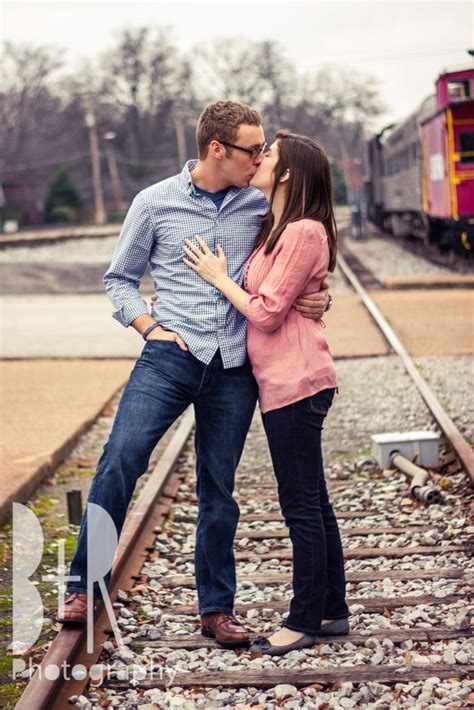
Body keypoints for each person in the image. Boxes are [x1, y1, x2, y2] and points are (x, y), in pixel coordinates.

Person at [57, 101, 330, 649]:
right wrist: (147, 327)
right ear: (217, 150)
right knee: (120, 459)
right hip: (170, 355)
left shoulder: (261, 206)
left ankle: (216, 610)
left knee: (218, 490)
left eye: (262, 151)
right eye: (251, 150)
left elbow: (296, 264)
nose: (259, 159)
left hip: (234, 366)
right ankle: (85, 585)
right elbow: (120, 279)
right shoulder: (153, 203)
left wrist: (319, 296)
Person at [182, 129, 349, 656]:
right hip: (283, 379)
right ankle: (332, 610)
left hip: (296, 380)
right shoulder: (278, 225)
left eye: (268, 154)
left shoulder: (301, 230)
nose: (258, 158)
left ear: (287, 173)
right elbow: (286, 294)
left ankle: (302, 621)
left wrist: (217, 276)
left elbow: (268, 310)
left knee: (300, 506)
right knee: (314, 503)